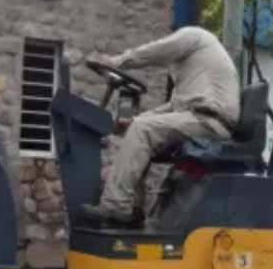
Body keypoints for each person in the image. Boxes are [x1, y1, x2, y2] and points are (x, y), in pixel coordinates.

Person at [82, 26, 239, 225]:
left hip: (210, 121)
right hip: (201, 117)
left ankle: (115, 205)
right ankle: (133, 210)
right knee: (138, 127)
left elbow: (155, 52)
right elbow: (174, 106)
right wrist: (133, 122)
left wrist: (116, 62)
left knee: (142, 129)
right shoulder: (193, 74)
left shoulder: (193, 36)